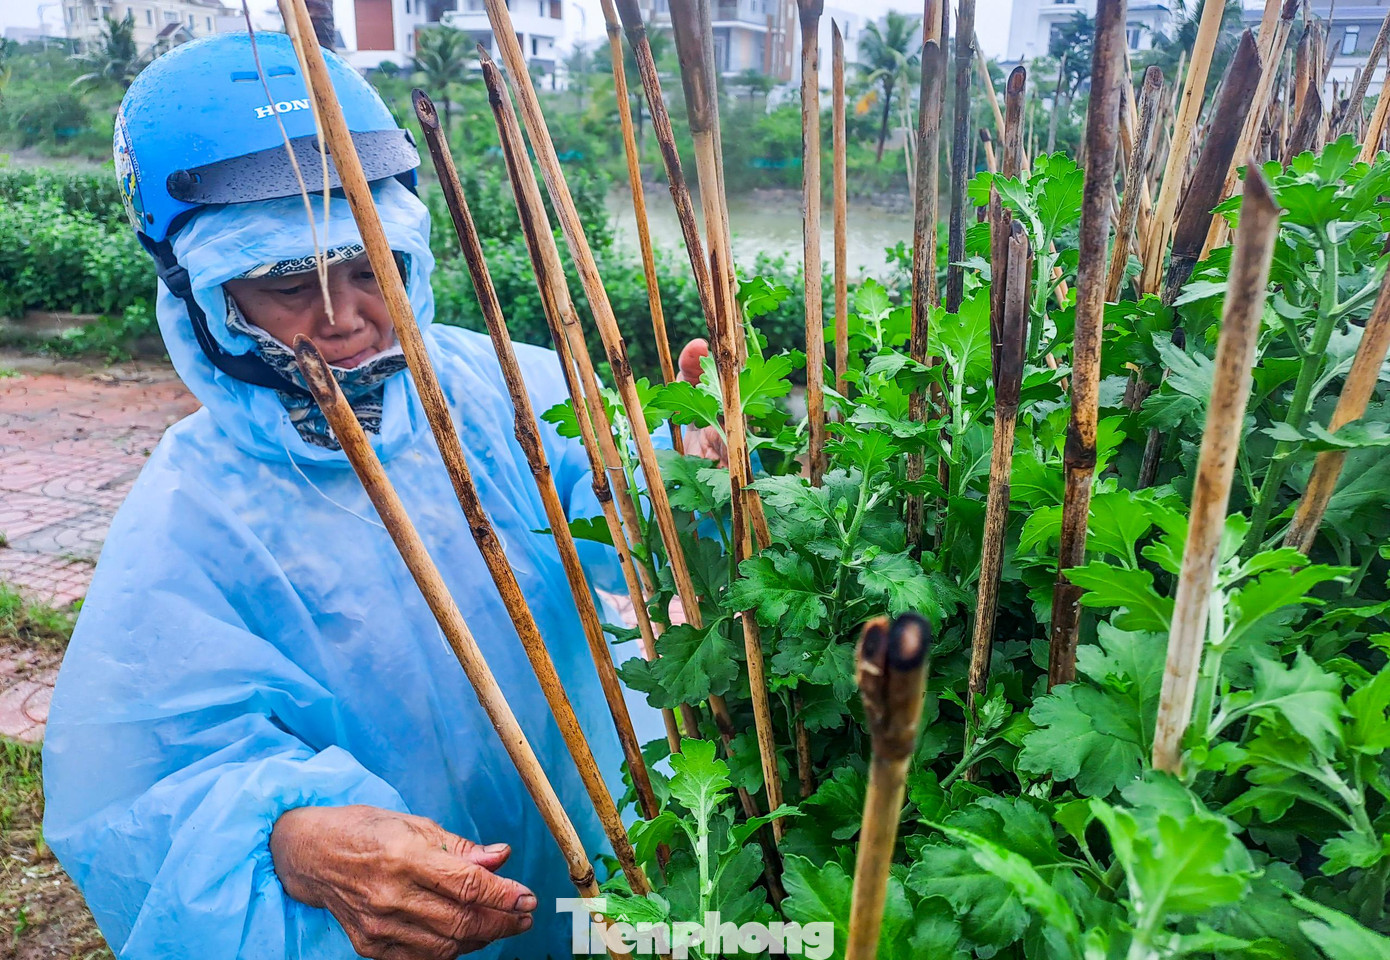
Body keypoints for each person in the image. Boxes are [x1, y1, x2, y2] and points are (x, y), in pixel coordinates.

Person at [42, 31, 694, 960]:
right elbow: (148, 786)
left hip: (591, 857)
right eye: (284, 282)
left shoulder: (511, 392)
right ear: (200, 292)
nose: (344, 316)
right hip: (382, 929)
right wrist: (295, 841)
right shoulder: (193, 513)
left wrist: (700, 464)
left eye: (368, 268)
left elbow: (635, 511)